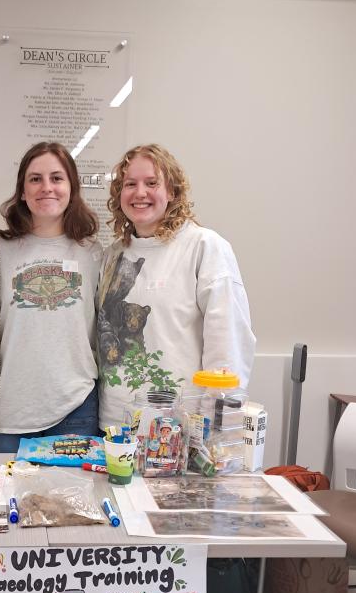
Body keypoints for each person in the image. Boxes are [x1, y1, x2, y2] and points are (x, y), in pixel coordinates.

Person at [98, 144, 255, 430]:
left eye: (152, 183)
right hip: (114, 425)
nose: (140, 192)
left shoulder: (204, 247)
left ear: (172, 191)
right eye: (130, 184)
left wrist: (212, 427)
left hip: (179, 429)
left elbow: (229, 347)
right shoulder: (112, 256)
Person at [0, 141, 103, 453]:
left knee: (74, 502)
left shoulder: (92, 253)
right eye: (35, 179)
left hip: (76, 408)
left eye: (57, 178)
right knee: (6, 501)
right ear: (22, 191)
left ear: (71, 188)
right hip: (12, 411)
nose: (46, 188)